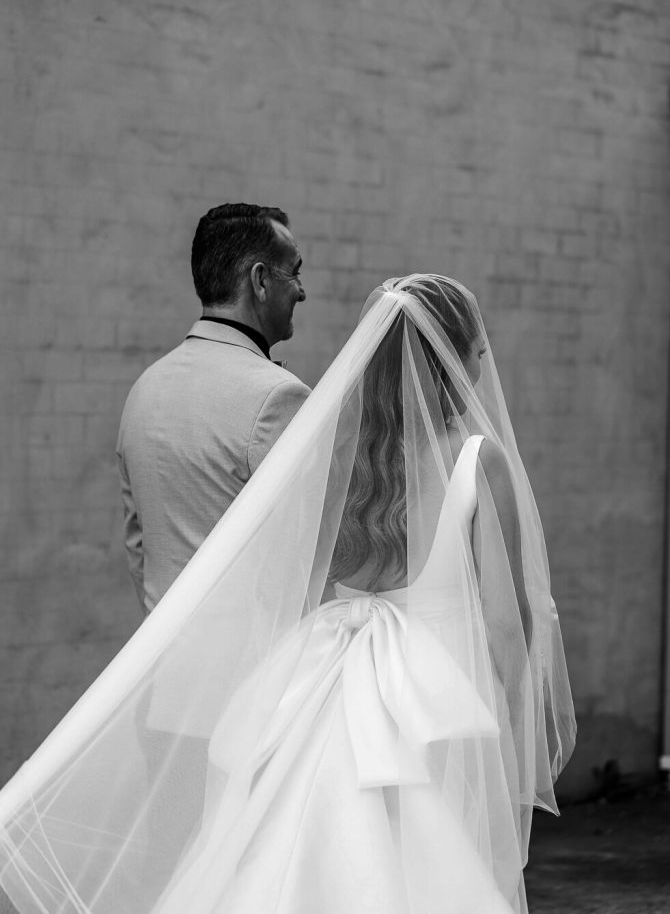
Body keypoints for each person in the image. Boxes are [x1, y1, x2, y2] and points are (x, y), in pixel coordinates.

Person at [0, 275, 575, 914]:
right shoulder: (476, 459)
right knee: (429, 858)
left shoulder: (336, 452)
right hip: (435, 703)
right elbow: (503, 618)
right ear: (452, 355)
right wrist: (513, 727)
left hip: (331, 680)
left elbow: (297, 584)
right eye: (477, 351)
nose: (480, 366)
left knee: (298, 846)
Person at [117, 202, 309, 615]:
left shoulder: (144, 388)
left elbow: (139, 544)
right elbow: (310, 551)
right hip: (253, 668)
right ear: (260, 280)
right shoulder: (278, 395)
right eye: (294, 272)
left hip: (161, 658)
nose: (301, 290)